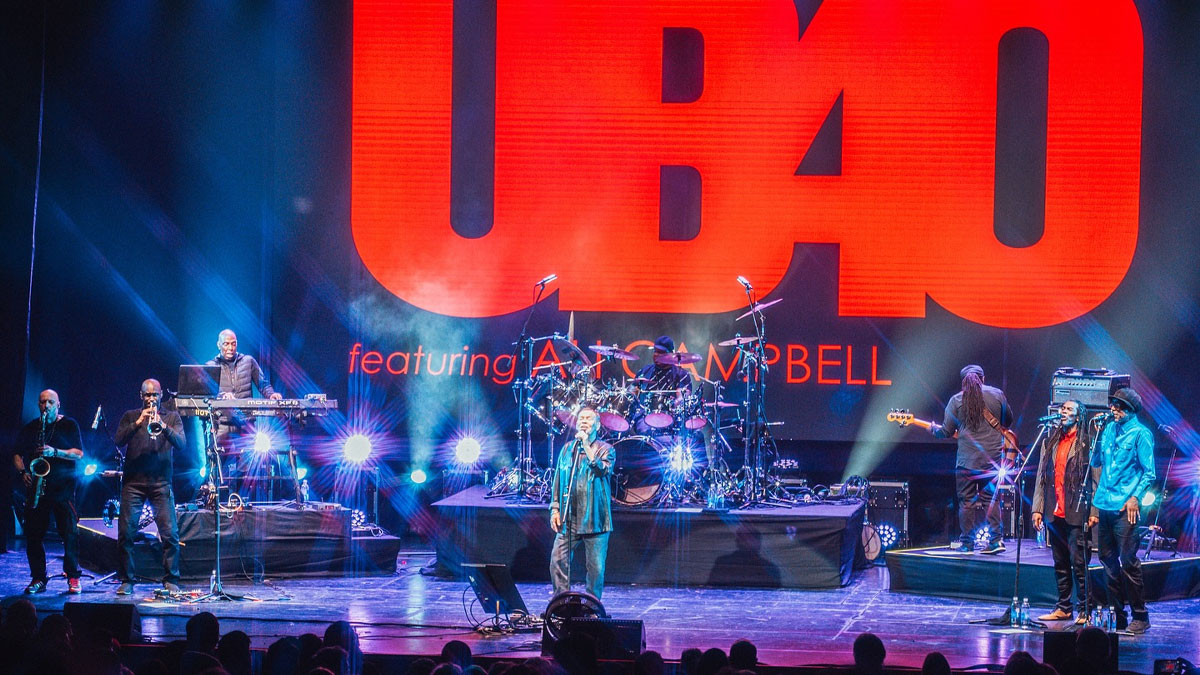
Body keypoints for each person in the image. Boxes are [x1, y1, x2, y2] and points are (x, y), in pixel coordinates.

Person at [1088, 387, 1154, 634]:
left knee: (1128, 561)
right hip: (1105, 504)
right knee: (1107, 561)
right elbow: (1096, 462)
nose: (1113, 408)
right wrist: (1096, 438)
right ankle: (1118, 616)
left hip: (1126, 507)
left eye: (1119, 405)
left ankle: (1141, 616)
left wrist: (1136, 497)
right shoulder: (1107, 430)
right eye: (1113, 404)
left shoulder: (1141, 434)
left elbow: (1149, 472)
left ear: (1131, 410)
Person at [929, 364, 1014, 554]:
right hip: (992, 459)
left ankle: (967, 544)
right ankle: (996, 541)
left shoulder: (956, 400)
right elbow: (1008, 421)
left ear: (963, 382)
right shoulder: (997, 394)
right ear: (983, 379)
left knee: (966, 502)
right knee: (991, 499)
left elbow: (946, 432)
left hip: (966, 461)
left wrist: (932, 429)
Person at [113, 378, 185, 594]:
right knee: (126, 534)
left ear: (161, 395)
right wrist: (138, 423)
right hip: (133, 483)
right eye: (147, 395)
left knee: (170, 534)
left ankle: (171, 579)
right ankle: (127, 580)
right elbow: (118, 440)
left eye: (155, 395)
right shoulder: (130, 416)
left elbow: (181, 444)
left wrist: (163, 426)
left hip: (161, 483)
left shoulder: (172, 417)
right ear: (141, 395)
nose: (151, 399)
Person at [12, 389, 85, 594]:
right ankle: (38, 578)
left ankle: (73, 576)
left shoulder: (69, 424)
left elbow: (79, 454)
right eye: (43, 402)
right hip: (38, 488)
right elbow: (16, 453)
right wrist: (23, 472)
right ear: (38, 404)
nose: (46, 406)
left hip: (63, 489)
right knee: (34, 535)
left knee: (69, 533)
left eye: (51, 402)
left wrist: (55, 452)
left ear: (58, 404)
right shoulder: (31, 427)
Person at [1031, 400, 1094, 622]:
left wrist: (1094, 511)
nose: (1063, 412)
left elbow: (1096, 478)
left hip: (1077, 510)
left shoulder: (1087, 442)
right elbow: (1041, 477)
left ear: (1078, 416)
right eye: (1062, 409)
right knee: (1060, 563)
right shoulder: (1050, 441)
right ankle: (1064, 607)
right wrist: (1037, 508)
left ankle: (1085, 609)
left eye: (1068, 410)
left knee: (1079, 564)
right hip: (1054, 511)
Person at [549, 407, 613, 599]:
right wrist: (555, 509)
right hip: (569, 517)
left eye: (589, 418)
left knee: (595, 569)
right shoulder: (567, 449)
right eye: (581, 418)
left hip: (595, 519)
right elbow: (558, 480)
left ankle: (592, 605)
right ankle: (561, 601)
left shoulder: (606, 449)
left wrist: (586, 445)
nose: (584, 421)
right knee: (557, 561)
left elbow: (601, 470)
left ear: (597, 425)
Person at [632, 335, 693, 434]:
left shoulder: (681, 374)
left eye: (661, 352)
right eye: (655, 351)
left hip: (672, 419)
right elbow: (631, 394)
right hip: (645, 417)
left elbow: (682, 399)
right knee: (641, 429)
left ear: (671, 354)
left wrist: (675, 404)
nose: (657, 355)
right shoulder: (645, 371)